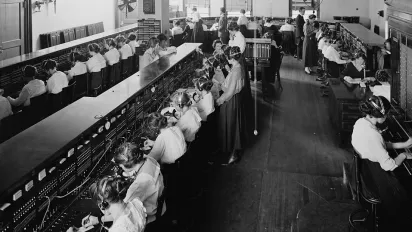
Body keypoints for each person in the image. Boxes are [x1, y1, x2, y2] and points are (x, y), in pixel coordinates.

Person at [351, 95, 412, 230]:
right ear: (381, 114)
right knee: (403, 198)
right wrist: (404, 155)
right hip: (372, 174)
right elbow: (388, 165)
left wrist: (404, 144)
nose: (388, 115)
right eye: (388, 113)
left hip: (361, 169)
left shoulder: (361, 122)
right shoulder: (373, 134)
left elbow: (381, 145)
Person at [113, 142, 165, 225]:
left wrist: (99, 219)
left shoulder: (140, 183)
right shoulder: (149, 159)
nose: (121, 169)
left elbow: (123, 210)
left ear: (127, 165)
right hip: (161, 205)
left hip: (150, 218)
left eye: (121, 166)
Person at [75, 176, 147, 232]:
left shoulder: (117, 230)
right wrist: (98, 219)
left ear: (103, 205)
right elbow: (123, 216)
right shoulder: (136, 203)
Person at [216, 46, 249, 165]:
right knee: (233, 125)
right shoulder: (238, 66)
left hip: (231, 100)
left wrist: (219, 100)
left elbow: (230, 92)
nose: (227, 60)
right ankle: (232, 151)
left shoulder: (236, 70)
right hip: (236, 99)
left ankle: (234, 154)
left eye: (227, 58)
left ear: (231, 58)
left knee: (231, 125)